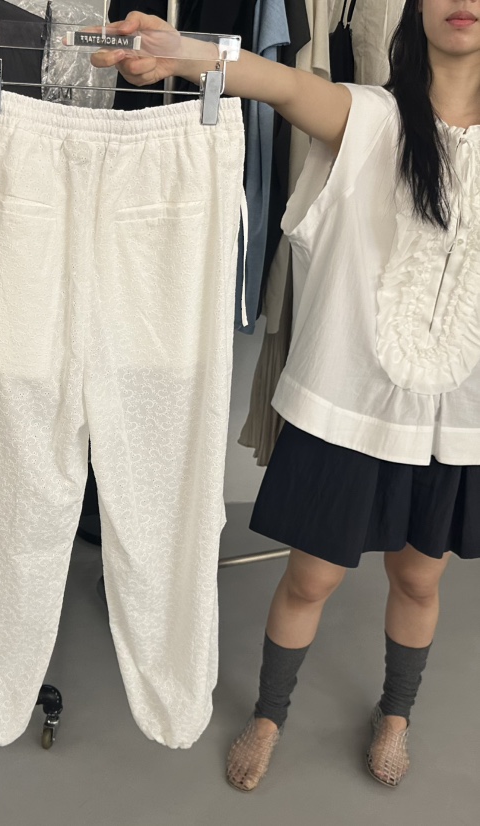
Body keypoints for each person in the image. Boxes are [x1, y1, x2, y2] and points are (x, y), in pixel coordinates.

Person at [92, 0, 480, 791]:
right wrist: (184, 51)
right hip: (349, 408)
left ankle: (396, 714)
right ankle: (270, 712)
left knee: (420, 579)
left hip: (454, 420)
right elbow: (283, 84)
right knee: (310, 579)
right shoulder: (370, 119)